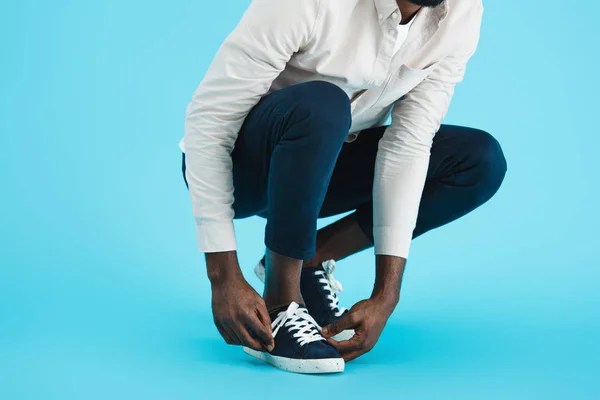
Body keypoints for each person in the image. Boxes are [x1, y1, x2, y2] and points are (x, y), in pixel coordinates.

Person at [179, 0, 506, 374]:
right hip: (245, 168)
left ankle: (306, 259)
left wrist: (386, 294)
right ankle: (280, 302)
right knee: (325, 102)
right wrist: (222, 276)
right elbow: (210, 122)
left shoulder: (461, 12)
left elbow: (409, 144)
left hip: (324, 164)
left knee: (478, 160)